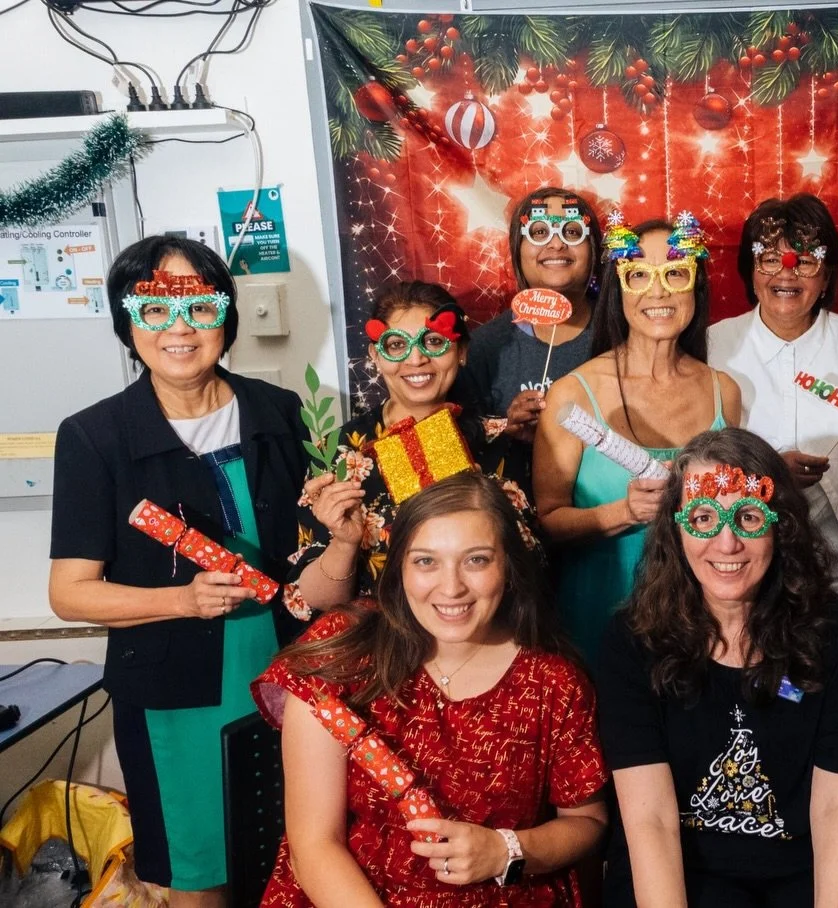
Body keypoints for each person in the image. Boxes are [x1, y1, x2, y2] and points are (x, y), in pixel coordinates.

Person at [48, 235, 309, 906]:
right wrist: (183, 601)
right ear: (126, 324)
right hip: (175, 695)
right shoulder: (95, 437)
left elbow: (306, 554)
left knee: (302, 854)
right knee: (202, 876)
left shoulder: (277, 412)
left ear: (225, 315)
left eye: (198, 306)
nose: (179, 329)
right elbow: (70, 594)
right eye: (154, 310)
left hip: (292, 678)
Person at [253, 472, 608, 906]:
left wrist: (505, 851)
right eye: (426, 561)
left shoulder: (554, 682)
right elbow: (314, 844)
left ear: (509, 567)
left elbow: (586, 822)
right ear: (399, 566)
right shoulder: (341, 654)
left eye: (476, 560)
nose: (451, 586)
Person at [597, 428, 838, 908]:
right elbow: (651, 820)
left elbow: (837, 807)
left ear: (779, 525)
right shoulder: (632, 642)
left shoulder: (837, 633)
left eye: (747, 517)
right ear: (676, 528)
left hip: (803, 884)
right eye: (704, 518)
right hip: (677, 884)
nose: (727, 545)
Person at [534, 213, 741, 663]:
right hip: (598, 616)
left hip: (699, 624)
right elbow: (544, 523)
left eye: (675, 273)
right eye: (639, 275)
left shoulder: (724, 391)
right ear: (618, 288)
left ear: (695, 286)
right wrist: (623, 512)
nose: (659, 291)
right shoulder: (574, 393)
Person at [289, 281, 536, 614]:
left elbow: (532, 576)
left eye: (434, 342)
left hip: (475, 639)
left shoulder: (502, 442)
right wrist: (345, 542)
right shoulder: (339, 454)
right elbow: (309, 603)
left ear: (462, 352)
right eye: (395, 345)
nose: (416, 359)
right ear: (376, 356)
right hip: (378, 647)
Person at [709, 194, 838, 612]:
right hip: (741, 580)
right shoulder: (713, 348)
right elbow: (695, 469)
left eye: (805, 260)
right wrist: (771, 473)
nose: (787, 272)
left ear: (827, 272)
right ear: (750, 268)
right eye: (769, 258)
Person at [460, 188, 604, 499]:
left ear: (593, 249)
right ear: (517, 249)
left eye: (572, 231)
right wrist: (506, 428)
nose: (556, 242)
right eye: (539, 231)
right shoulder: (487, 346)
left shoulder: (621, 334)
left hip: (607, 513)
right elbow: (464, 445)